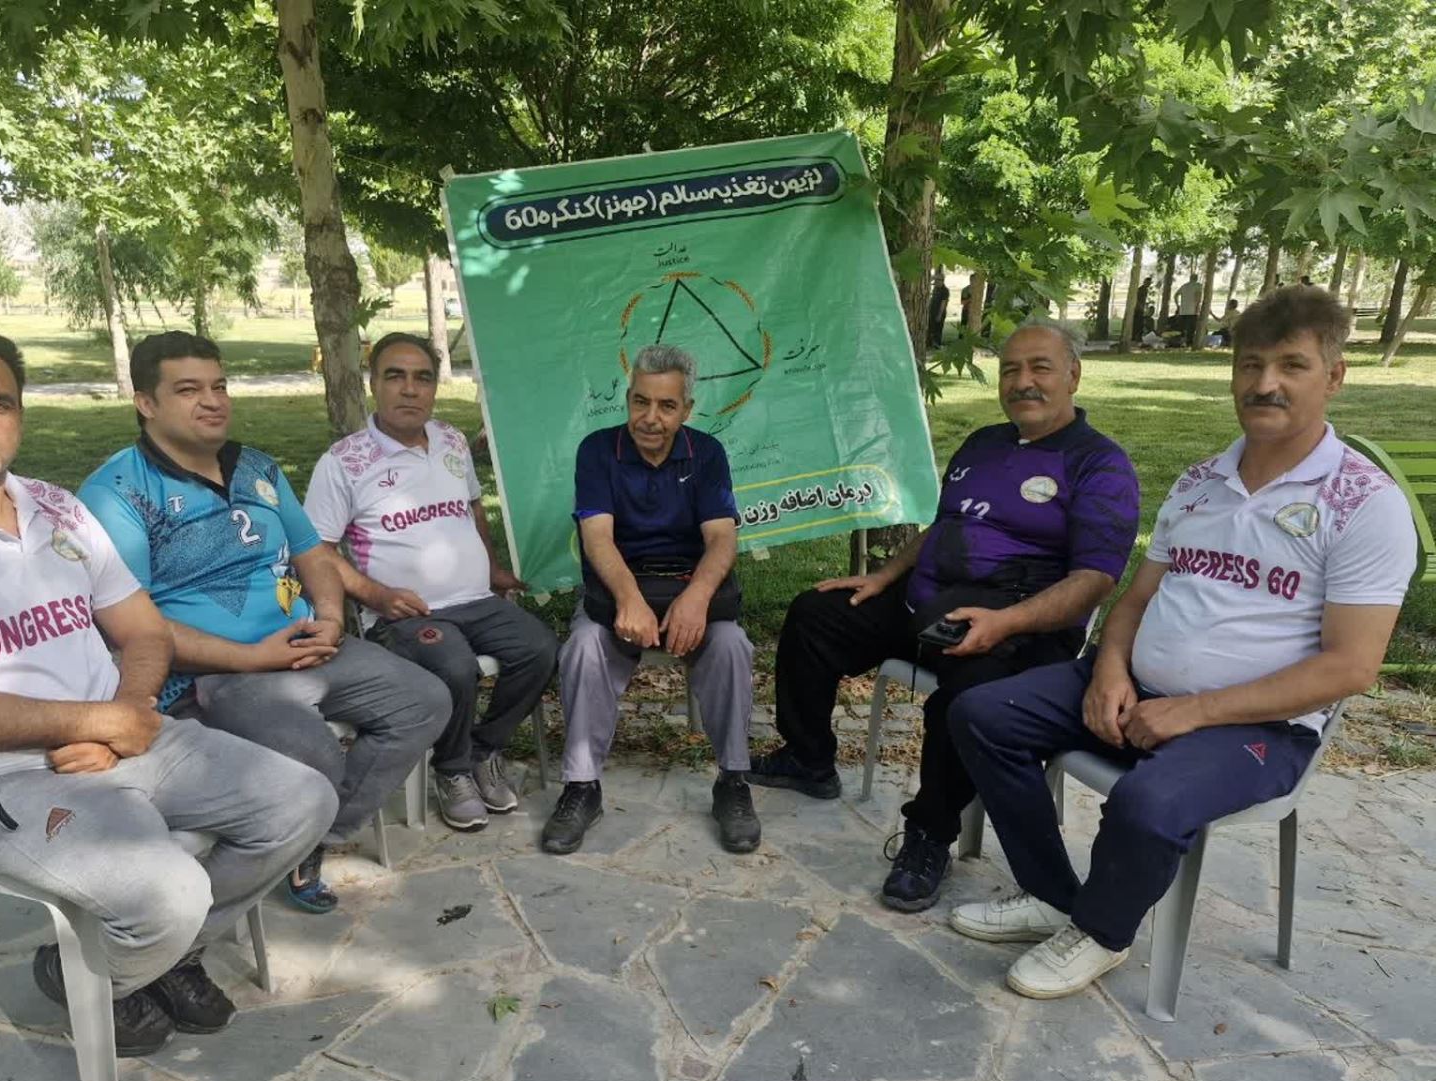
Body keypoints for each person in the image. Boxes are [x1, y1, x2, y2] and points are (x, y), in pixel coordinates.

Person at [0, 330, 336, 1054]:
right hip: (7, 780)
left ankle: (157, 957)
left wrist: (124, 717)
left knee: (304, 800)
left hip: (131, 737)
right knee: (170, 893)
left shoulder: (57, 509)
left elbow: (145, 631)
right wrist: (99, 722)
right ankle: (102, 972)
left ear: (17, 416)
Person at [946, 286, 1417, 1000]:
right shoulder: (1202, 481)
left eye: (1291, 365)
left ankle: (1101, 932)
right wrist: (1109, 670)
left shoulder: (1364, 504)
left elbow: (1350, 667)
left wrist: (1193, 712)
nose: (1264, 384)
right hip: (1138, 690)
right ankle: (1051, 895)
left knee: (1148, 803)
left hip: (1259, 726)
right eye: (1250, 364)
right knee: (982, 714)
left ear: (1334, 376)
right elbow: (1135, 600)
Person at [749, 318, 1139, 911]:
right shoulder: (983, 443)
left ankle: (929, 835)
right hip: (929, 605)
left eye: (1040, 368)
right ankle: (808, 758)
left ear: (1074, 376)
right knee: (816, 613)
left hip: (1022, 629)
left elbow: (1094, 581)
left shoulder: (1099, 465)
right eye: (1011, 370)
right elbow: (946, 526)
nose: (1023, 382)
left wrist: (1006, 622)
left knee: (967, 696)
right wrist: (883, 576)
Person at [78, 332, 448, 913]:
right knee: (316, 754)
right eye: (189, 390)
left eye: (219, 386)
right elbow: (131, 624)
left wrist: (331, 617)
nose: (212, 401)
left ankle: (311, 837)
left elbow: (313, 555)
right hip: (213, 673)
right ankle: (293, 836)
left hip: (306, 644)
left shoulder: (257, 468)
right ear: (146, 403)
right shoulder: (118, 491)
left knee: (426, 700)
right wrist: (254, 657)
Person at [302, 333, 558, 831]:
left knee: (540, 649)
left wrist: (492, 567)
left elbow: (472, 508)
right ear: (373, 383)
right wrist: (375, 594)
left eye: (422, 378)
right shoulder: (344, 462)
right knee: (455, 665)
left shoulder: (451, 440)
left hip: (476, 600)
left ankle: (483, 750)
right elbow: (316, 551)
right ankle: (453, 768)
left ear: (435, 387)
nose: (410, 389)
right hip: (404, 614)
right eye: (395, 376)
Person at [547, 344, 758, 855]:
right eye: (641, 402)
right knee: (583, 647)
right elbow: (597, 539)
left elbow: (722, 538)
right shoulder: (598, 450)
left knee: (732, 646)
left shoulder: (707, 453)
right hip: (619, 588)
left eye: (666, 406)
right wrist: (629, 599)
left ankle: (733, 782)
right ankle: (581, 787)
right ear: (628, 399)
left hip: (689, 586)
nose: (650, 417)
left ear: (686, 409)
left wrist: (697, 597)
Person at [927, 267, 950, 349]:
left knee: (938, 329)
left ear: (942, 281)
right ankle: (930, 343)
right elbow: (928, 281)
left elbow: (943, 303)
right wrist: (933, 277)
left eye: (938, 280)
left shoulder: (945, 290)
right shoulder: (935, 289)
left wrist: (939, 315)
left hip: (939, 312)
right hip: (932, 311)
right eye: (935, 280)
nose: (935, 282)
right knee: (930, 328)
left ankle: (937, 344)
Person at [1132, 276, 1155, 343]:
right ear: (1144, 282)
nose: (1148, 284)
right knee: (1137, 324)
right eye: (1147, 283)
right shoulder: (1140, 290)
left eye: (1149, 283)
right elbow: (1137, 300)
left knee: (1140, 324)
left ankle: (1138, 337)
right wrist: (1141, 307)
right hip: (1138, 309)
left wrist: (1146, 305)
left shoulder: (1145, 290)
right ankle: (1134, 337)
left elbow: (1143, 300)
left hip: (1141, 309)